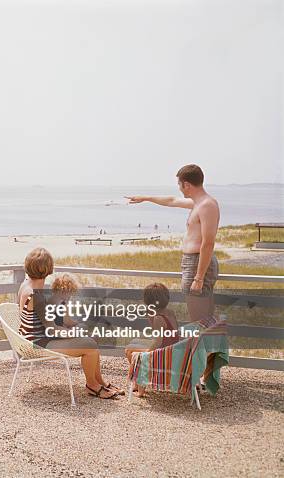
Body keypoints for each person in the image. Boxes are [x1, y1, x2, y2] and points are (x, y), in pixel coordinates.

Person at [17, 248, 119, 399]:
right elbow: (52, 330)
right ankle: (92, 385)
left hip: (30, 339)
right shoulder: (35, 295)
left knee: (90, 340)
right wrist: (75, 333)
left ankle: (99, 382)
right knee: (90, 346)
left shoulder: (26, 285)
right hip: (37, 344)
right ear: (48, 269)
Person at [125, 164, 220, 322]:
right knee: (204, 321)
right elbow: (171, 200)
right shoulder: (198, 203)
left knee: (199, 322)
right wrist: (145, 198)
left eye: (179, 185)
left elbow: (208, 243)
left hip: (198, 263)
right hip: (194, 262)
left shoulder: (206, 205)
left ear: (186, 184)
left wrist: (199, 278)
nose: (180, 189)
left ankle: (203, 347)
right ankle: (206, 346)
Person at [125, 283, 179, 396]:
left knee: (129, 351)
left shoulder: (158, 318)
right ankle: (136, 381)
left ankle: (139, 385)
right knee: (133, 344)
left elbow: (157, 341)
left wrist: (147, 353)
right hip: (172, 348)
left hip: (163, 352)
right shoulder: (170, 312)